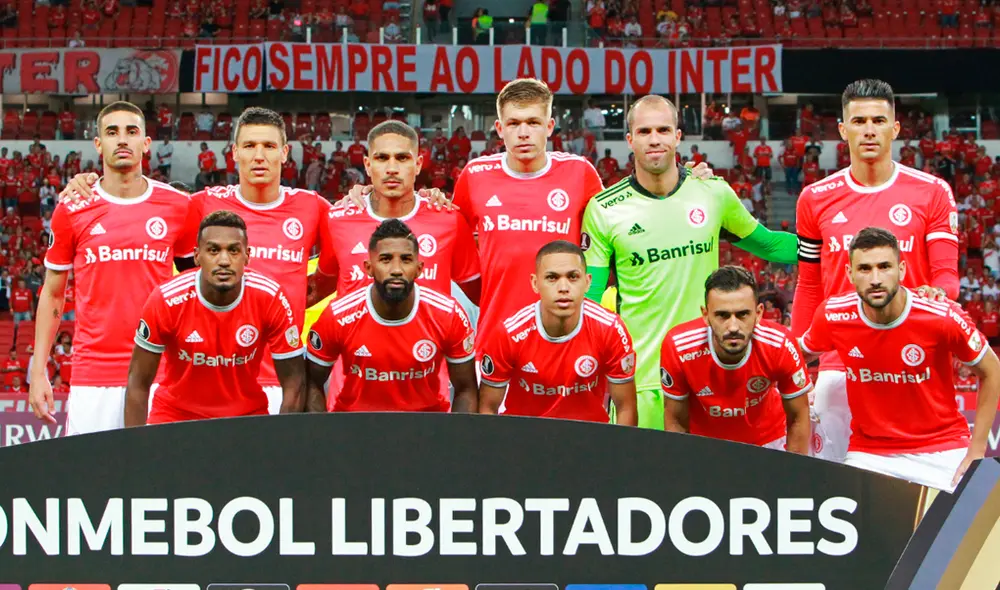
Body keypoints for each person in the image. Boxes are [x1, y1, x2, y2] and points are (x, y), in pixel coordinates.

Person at [61, 107, 333, 416]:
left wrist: (298, 298)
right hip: (213, 380)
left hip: (283, 379)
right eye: (249, 146)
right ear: (235, 153)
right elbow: (141, 205)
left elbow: (339, 261)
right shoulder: (202, 203)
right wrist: (88, 184)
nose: (260, 156)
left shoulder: (312, 207)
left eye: (269, 146)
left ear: (285, 153)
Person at [581, 95, 798, 430]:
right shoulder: (604, 209)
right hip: (643, 382)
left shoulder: (712, 193)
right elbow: (591, 297)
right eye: (644, 131)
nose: (655, 139)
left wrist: (835, 242)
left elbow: (770, 246)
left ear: (678, 136)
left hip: (711, 375)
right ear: (630, 139)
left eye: (664, 130)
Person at [792, 79, 961, 463]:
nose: (869, 129)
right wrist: (797, 364)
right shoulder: (814, 199)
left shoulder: (932, 192)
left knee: (915, 495)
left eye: (879, 120)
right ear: (842, 129)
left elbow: (947, 276)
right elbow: (809, 286)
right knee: (833, 487)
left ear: (895, 128)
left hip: (913, 363)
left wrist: (940, 295)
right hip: (840, 364)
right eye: (859, 120)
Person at [29, 101, 194, 435]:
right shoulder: (73, 207)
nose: (122, 140)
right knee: (93, 484)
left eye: (132, 132)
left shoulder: (178, 206)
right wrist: (37, 372)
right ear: (98, 144)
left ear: (146, 143)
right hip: (94, 376)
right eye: (112, 132)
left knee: (159, 484)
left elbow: (194, 285)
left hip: (160, 374)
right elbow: (53, 294)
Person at [800, 227, 999, 492]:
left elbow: (992, 370)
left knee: (971, 528)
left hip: (943, 450)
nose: (875, 278)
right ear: (850, 274)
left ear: (902, 270)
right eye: (865, 269)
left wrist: (976, 451)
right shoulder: (833, 315)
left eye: (885, 267)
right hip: (870, 453)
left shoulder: (940, 316)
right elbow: (796, 354)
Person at [313, 120, 481, 410]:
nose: (392, 168)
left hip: (428, 401)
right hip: (350, 401)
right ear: (367, 165)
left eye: (402, 158)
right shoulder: (338, 219)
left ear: (417, 164)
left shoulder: (449, 220)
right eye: (382, 158)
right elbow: (317, 289)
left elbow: (482, 295)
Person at [126, 211, 305, 425]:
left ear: (247, 255)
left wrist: (282, 442)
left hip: (246, 417)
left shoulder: (271, 297)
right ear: (196, 256)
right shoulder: (165, 299)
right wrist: (137, 450)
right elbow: (138, 381)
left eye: (233, 251)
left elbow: (295, 381)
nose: (223, 260)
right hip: (174, 416)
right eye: (213, 250)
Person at [305, 219, 478, 412]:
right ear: (368, 267)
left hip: (426, 428)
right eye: (386, 259)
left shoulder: (448, 314)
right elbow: (312, 382)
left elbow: (466, 389)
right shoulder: (338, 315)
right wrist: (322, 437)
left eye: (406, 259)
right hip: (355, 426)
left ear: (419, 268)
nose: (396, 270)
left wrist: (453, 440)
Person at [478, 241, 637, 424]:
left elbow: (626, 407)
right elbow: (487, 408)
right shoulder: (508, 333)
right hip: (524, 439)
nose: (563, 287)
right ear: (535, 283)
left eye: (573, 277)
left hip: (589, 439)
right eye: (552, 278)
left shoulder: (610, 328)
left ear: (587, 282)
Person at [660, 266, 812, 453]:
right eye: (722, 315)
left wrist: (794, 476)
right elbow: (675, 421)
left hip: (769, 443)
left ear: (759, 313)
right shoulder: (678, 347)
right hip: (705, 446)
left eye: (742, 314)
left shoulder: (780, 344)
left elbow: (798, 416)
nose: (733, 326)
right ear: (705, 315)